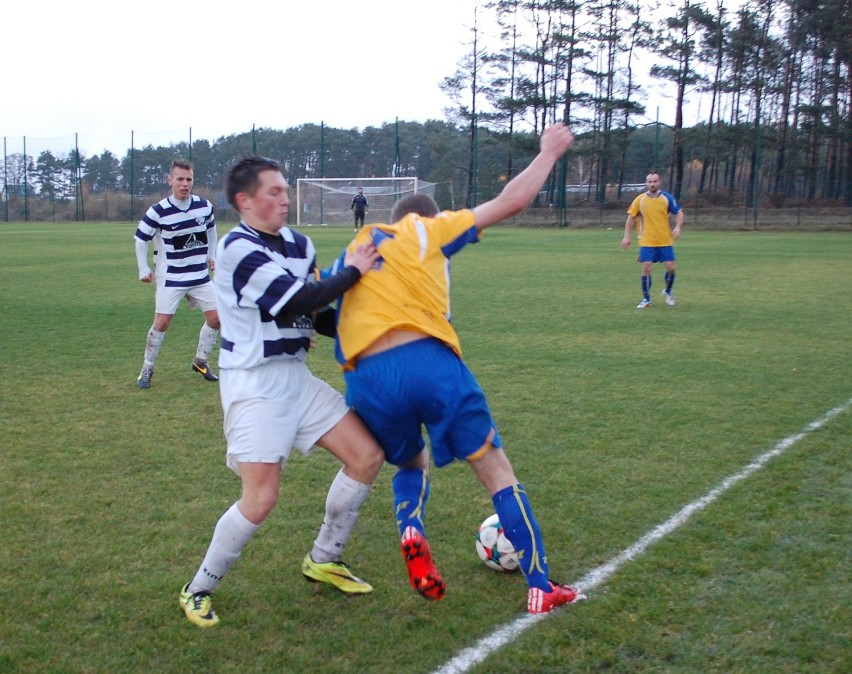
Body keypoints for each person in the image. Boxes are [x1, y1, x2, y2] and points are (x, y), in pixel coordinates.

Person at [328, 123, 583, 615]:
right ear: (430, 216)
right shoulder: (426, 229)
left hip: (367, 378)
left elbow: (320, 309)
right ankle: (540, 584)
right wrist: (549, 152)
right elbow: (512, 200)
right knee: (494, 468)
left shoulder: (355, 249)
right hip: (427, 360)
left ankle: (412, 529)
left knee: (410, 462)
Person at [178, 156, 385, 628]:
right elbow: (293, 300)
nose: (285, 198)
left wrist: (379, 336)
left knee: (367, 455)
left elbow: (312, 314)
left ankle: (324, 557)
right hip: (253, 384)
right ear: (244, 201)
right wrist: (353, 271)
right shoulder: (236, 248)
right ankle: (198, 588)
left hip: (296, 377)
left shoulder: (300, 244)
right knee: (261, 497)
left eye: (285, 190)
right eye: (273, 192)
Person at [133, 160, 220, 388]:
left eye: (188, 179)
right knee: (161, 323)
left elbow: (211, 231)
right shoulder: (158, 210)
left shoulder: (204, 206)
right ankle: (147, 369)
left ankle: (201, 361)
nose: (185, 184)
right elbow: (140, 239)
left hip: (200, 276)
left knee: (217, 318)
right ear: (170, 181)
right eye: (180, 179)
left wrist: (213, 255)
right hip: (171, 277)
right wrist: (144, 268)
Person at [620, 172, 684, 308]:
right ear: (646, 183)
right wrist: (627, 236)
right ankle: (646, 299)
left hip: (665, 240)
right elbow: (630, 218)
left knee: (671, 268)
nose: (652, 184)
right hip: (647, 240)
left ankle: (667, 292)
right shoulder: (640, 200)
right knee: (646, 268)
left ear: (659, 182)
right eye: (650, 182)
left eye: (655, 181)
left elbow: (679, 212)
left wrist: (678, 227)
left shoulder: (667, 198)